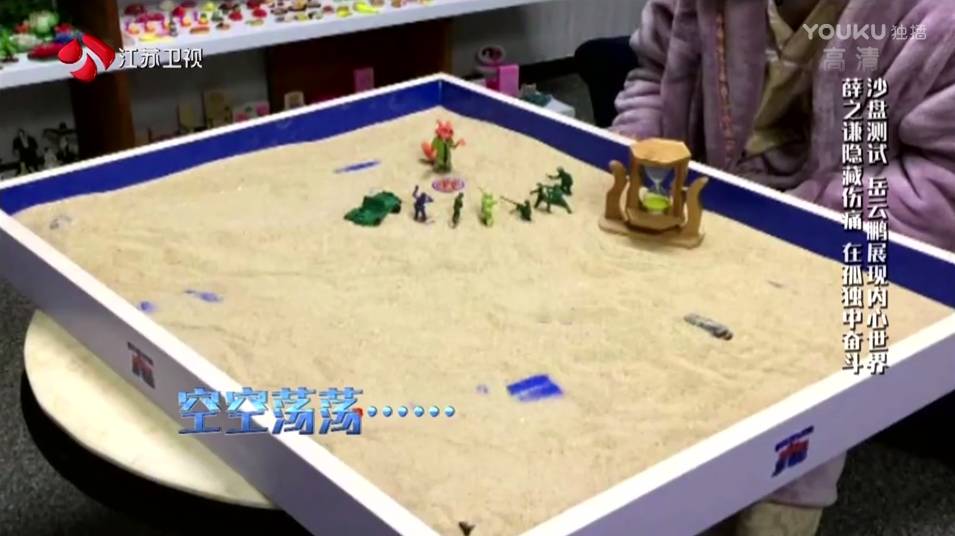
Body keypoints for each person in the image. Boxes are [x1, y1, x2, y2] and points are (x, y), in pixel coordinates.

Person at [611, 0, 955, 534]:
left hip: (840, 244)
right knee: (640, 402)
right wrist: (641, 152)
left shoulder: (934, 21)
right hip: (701, 215)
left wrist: (796, 220)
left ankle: (787, 499)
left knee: (783, 468)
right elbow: (653, 76)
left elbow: (940, 188)